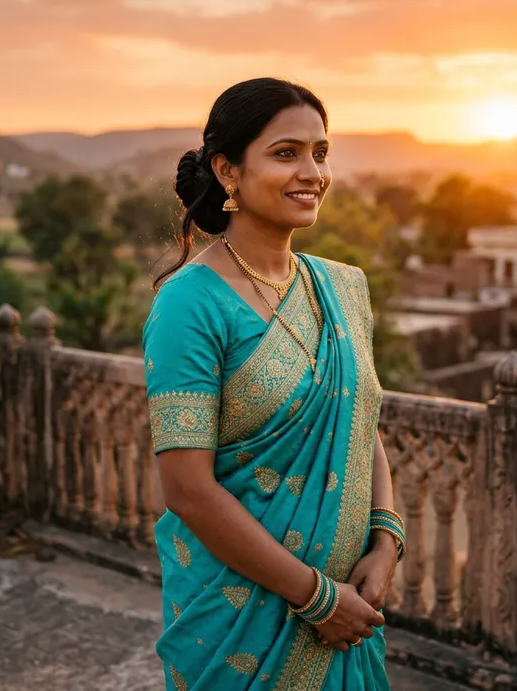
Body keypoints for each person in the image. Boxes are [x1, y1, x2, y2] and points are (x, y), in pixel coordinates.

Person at [143, 78, 406, 690]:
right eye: (286, 153)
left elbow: (359, 418)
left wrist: (386, 539)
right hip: (242, 617)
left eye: (320, 152)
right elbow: (187, 489)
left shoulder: (343, 287)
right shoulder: (189, 304)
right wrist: (317, 599)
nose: (312, 171)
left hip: (352, 609)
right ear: (228, 171)